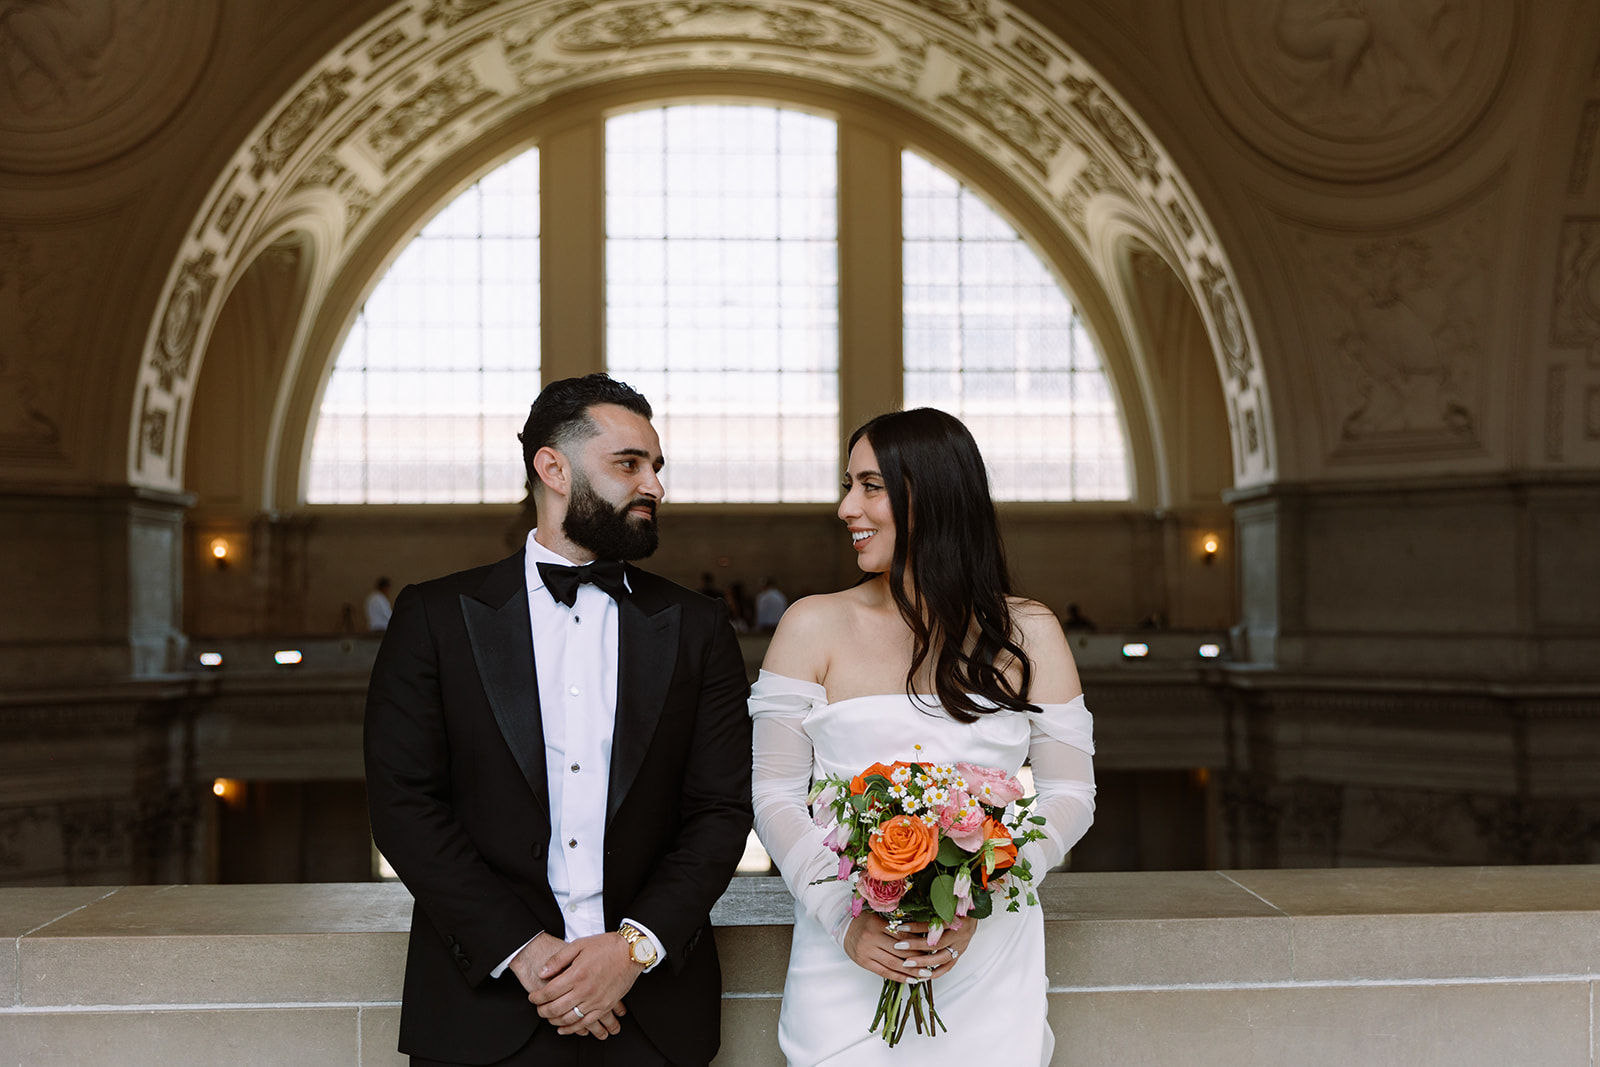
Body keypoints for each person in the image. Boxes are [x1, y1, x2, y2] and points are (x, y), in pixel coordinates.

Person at [365, 374, 753, 1067]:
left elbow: (721, 809)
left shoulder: (697, 626)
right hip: (479, 1013)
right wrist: (525, 952)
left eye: (656, 467)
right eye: (629, 464)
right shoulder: (434, 618)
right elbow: (404, 805)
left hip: (654, 1017)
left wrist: (632, 947)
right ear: (552, 467)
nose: (654, 486)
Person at [748, 408, 1096, 1065]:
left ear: (931, 494)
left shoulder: (1031, 632)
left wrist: (981, 892)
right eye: (848, 484)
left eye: (870, 485)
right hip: (846, 953)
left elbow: (1071, 791)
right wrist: (842, 918)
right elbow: (773, 795)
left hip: (989, 957)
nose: (847, 506)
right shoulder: (809, 625)